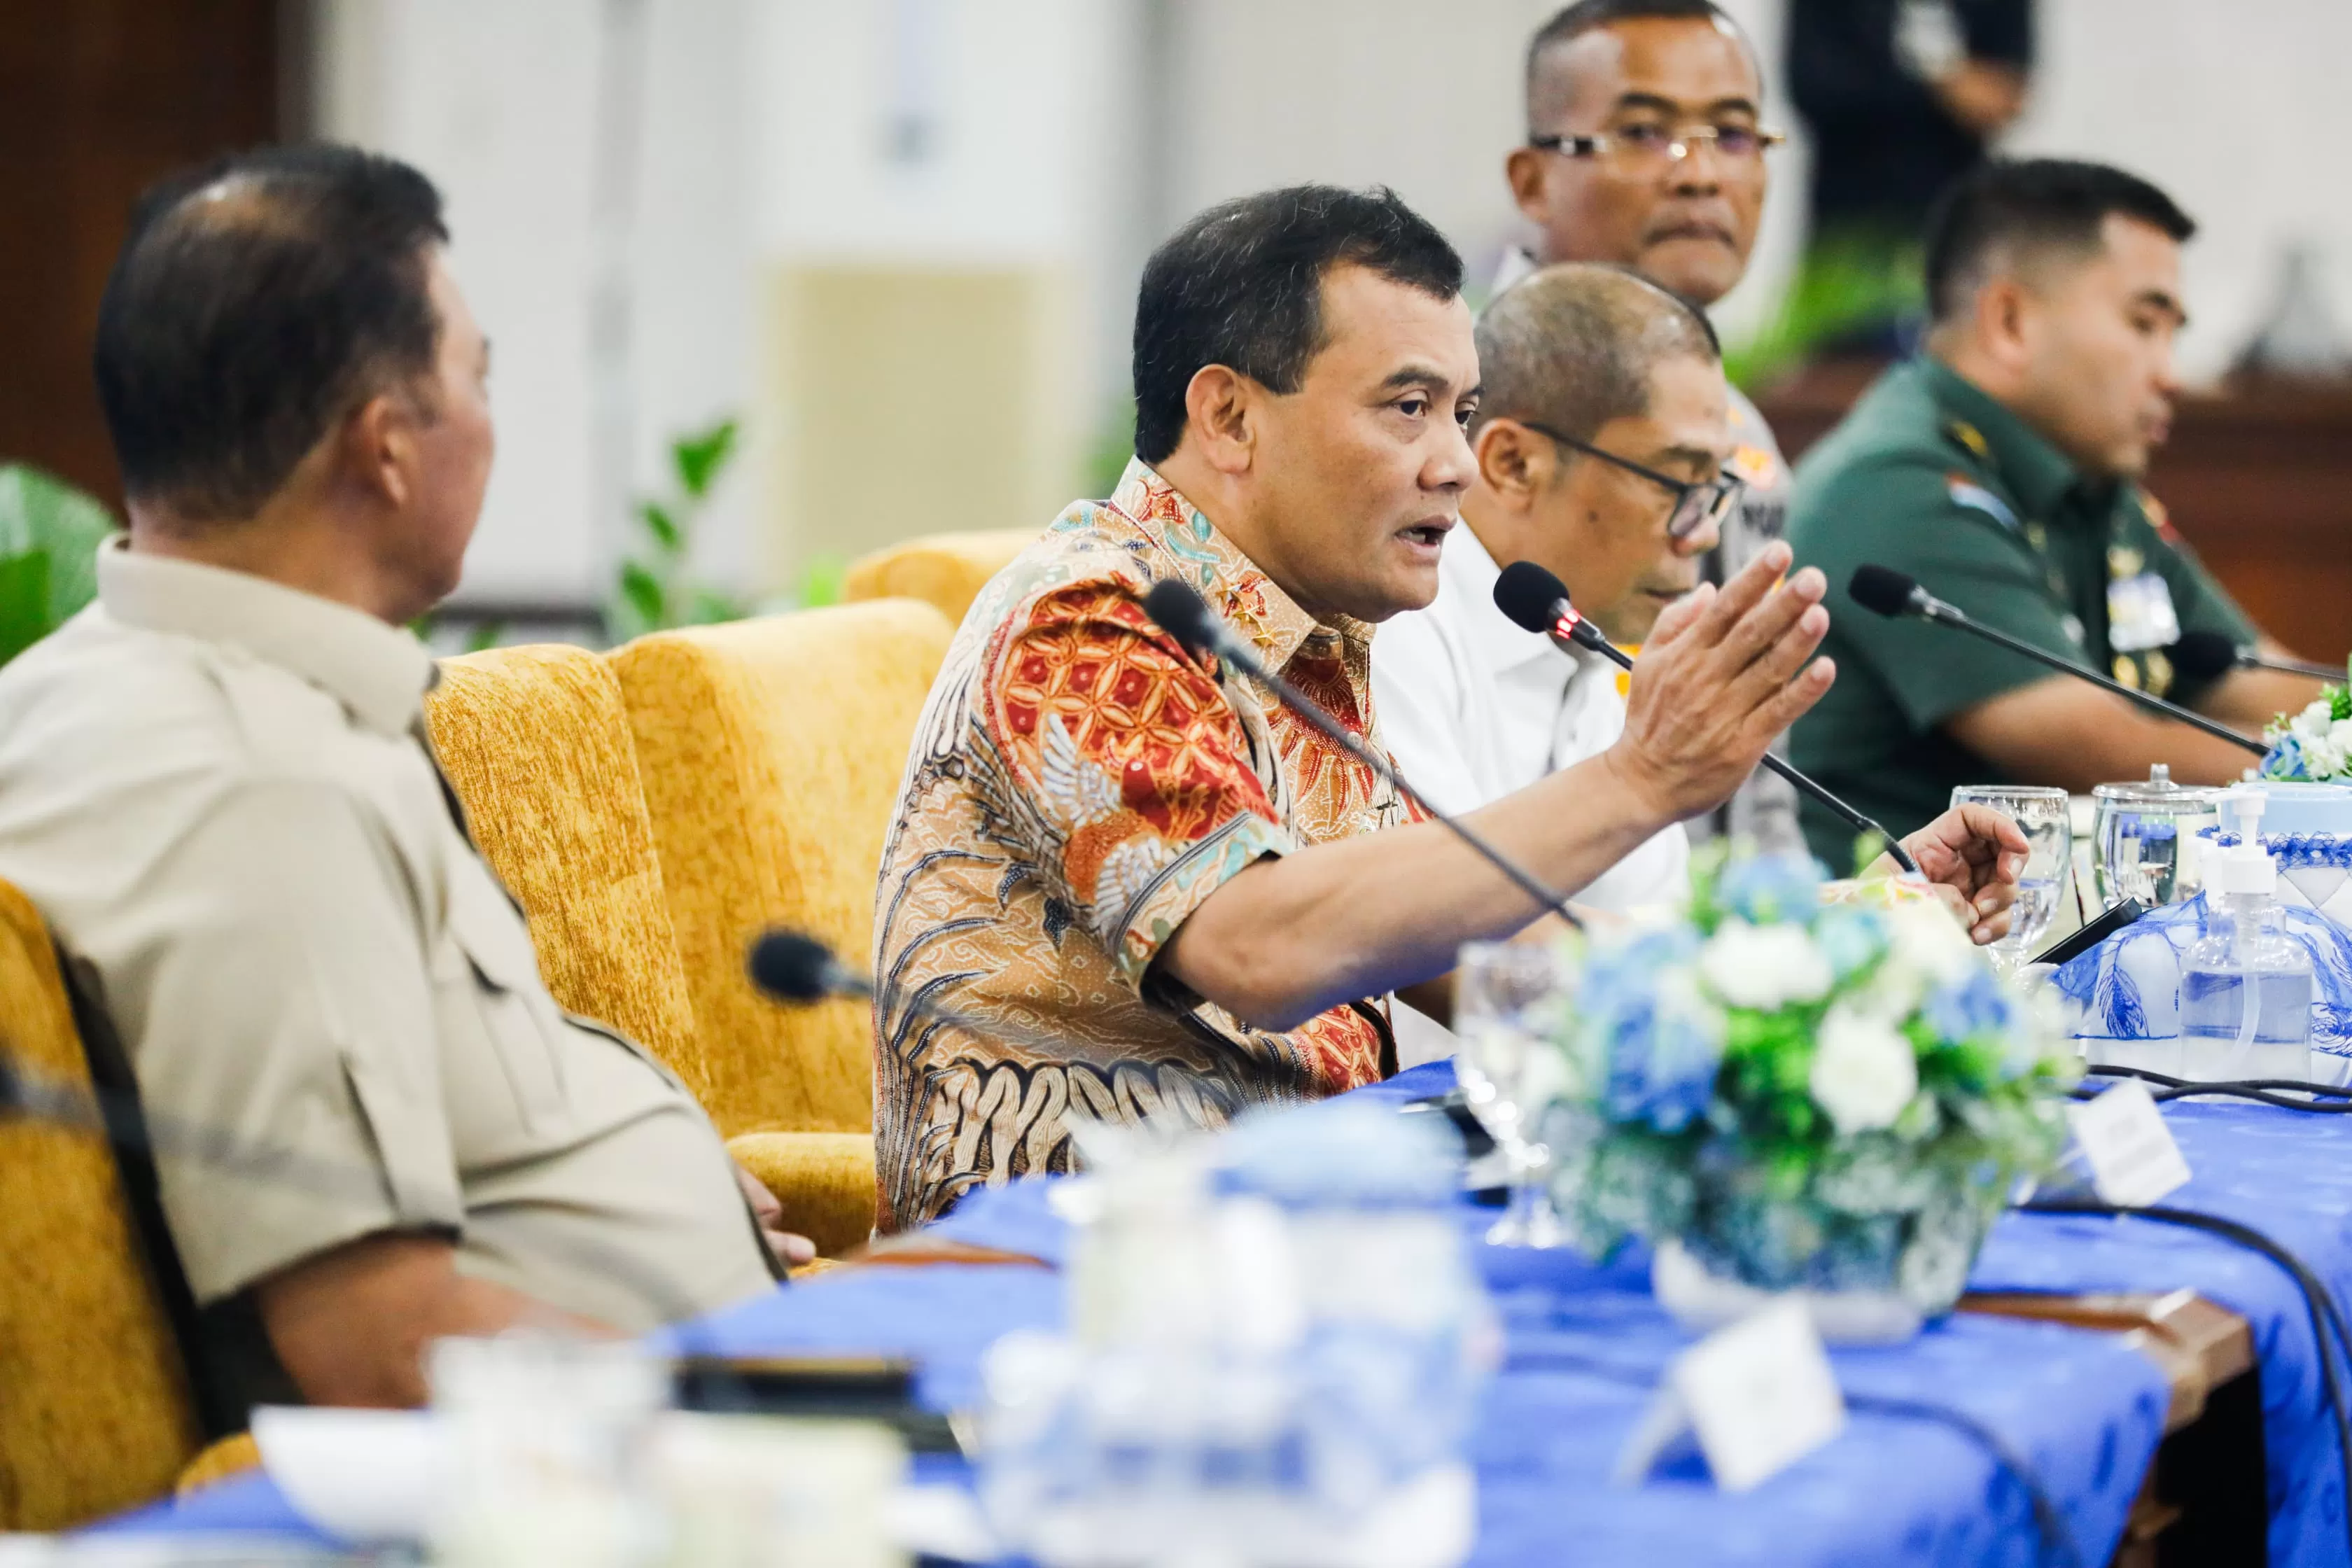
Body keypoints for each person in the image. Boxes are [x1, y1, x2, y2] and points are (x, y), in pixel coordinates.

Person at [872, 184, 2022, 1231]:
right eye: (1407, 408)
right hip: (1074, 1303)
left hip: (1315, 1244)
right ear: (1227, 419)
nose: (1457, 467)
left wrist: (1855, 927)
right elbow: (1264, 949)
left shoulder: (1308, 636)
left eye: (1460, 413)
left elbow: (1502, 957)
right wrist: (1640, 778)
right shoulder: (1092, 617)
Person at [0, 146, 797, 1415]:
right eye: (475, 377)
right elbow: (388, 1349)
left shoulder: (132, 683)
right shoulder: (258, 790)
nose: (488, 417)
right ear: (384, 450)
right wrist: (796, 1399)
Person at [1786, 158, 2322, 867]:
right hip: (1897, 941)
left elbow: (2255, 676)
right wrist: (2321, 777)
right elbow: (2107, 753)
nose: (2170, 373)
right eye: (2143, 324)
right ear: (2010, 321)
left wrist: (2333, 737)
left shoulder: (2089, 478)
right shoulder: (1896, 483)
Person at [1502, 0, 1801, 852]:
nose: (1700, 174)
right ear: (1531, 180)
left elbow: (1762, 782)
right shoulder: (1464, 411)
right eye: (1644, 132)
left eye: (1735, 135)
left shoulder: (1748, 439)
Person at [1786, 0, 2033, 357]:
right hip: (1849, 224)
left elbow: (2003, 91)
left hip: (1956, 226)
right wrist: (1943, 89)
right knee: (1837, 378)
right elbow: (1814, 85)